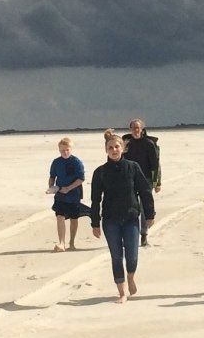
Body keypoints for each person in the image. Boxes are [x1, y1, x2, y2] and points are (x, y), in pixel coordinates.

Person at [91, 131, 156, 303]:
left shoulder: (133, 167)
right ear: (106, 150)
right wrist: (95, 223)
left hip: (131, 218)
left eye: (117, 146)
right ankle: (121, 292)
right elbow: (95, 199)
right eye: (110, 147)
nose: (114, 150)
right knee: (116, 256)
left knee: (132, 255)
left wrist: (149, 214)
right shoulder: (100, 172)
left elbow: (145, 191)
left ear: (123, 148)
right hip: (110, 220)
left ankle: (131, 276)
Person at [121, 117, 163, 246]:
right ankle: (130, 234)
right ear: (130, 129)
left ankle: (144, 234)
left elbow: (155, 165)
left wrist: (157, 183)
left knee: (145, 207)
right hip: (130, 179)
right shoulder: (126, 144)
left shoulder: (148, 144)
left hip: (146, 180)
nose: (135, 130)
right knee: (130, 207)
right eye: (133, 128)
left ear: (142, 129)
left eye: (137, 128)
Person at [46, 137, 88, 251]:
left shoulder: (76, 162)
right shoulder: (56, 162)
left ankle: (72, 242)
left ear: (71, 149)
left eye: (67, 150)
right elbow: (52, 176)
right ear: (59, 150)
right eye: (63, 150)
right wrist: (51, 187)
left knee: (74, 218)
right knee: (60, 216)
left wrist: (68, 188)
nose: (65, 152)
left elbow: (81, 178)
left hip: (74, 194)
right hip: (60, 194)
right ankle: (61, 243)